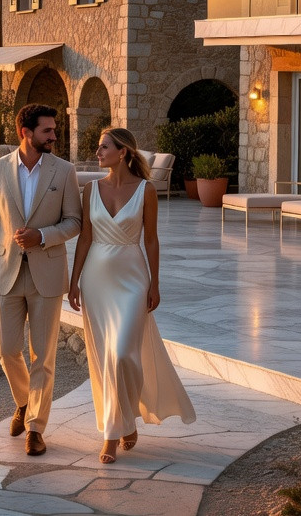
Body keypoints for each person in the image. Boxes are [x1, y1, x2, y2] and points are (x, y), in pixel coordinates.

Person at [68, 128, 195, 464]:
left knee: (124, 353)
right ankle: (114, 432)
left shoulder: (146, 190)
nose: (98, 153)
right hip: (96, 280)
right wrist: (74, 280)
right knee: (105, 358)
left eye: (103, 147)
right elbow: (84, 238)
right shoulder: (91, 189)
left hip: (133, 278)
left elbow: (151, 240)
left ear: (122, 152)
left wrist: (155, 283)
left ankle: (125, 417)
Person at [0, 103, 83, 456]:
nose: (54, 136)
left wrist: (43, 236)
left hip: (47, 275)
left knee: (43, 356)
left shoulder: (64, 171)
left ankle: (36, 427)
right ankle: (23, 401)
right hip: (5, 273)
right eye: (48, 131)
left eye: (54, 130)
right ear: (26, 133)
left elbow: (74, 222)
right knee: (6, 349)